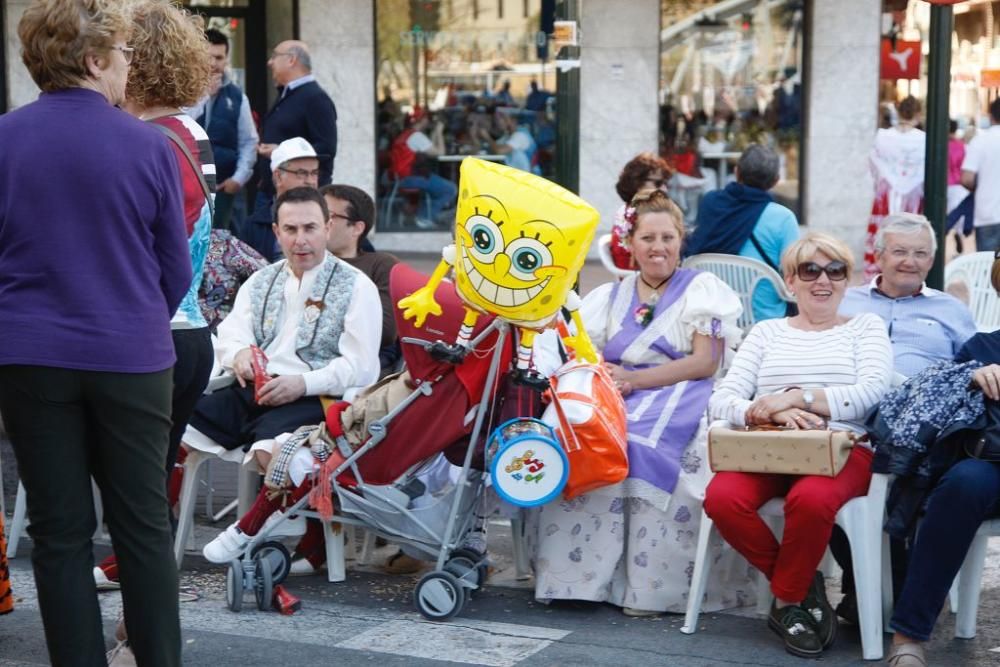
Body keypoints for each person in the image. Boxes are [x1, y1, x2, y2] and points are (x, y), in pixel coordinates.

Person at [0, 0, 190, 664]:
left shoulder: (3, 138)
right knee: (141, 526)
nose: (129, 68)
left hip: (27, 352)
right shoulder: (147, 145)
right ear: (94, 58)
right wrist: (134, 312)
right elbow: (175, 268)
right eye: (125, 55)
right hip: (130, 351)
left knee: (57, 533)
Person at [532, 189, 750, 616]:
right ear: (629, 243)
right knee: (582, 438)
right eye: (648, 238)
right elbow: (583, 352)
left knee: (648, 446)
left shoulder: (704, 289)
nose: (658, 248)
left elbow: (705, 362)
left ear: (681, 240)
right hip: (617, 393)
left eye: (668, 238)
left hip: (681, 391)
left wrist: (635, 379)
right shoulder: (610, 296)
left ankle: (652, 589)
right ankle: (579, 581)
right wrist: (602, 378)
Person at [704, 233, 892, 659]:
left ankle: (786, 601)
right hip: (770, 445)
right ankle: (803, 588)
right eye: (809, 270)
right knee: (721, 498)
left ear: (848, 280)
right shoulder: (767, 332)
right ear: (790, 281)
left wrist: (797, 398)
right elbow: (722, 397)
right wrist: (769, 412)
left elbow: (872, 392)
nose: (822, 280)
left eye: (835, 270)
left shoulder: (866, 327)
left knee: (810, 500)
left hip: (841, 447)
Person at [92, 0, 217, 596]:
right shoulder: (191, 133)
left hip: (152, 333)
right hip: (189, 332)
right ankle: (142, 607)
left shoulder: (146, 142)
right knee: (146, 481)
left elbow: (139, 246)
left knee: (130, 487)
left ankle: (139, 617)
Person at [183, 186, 381, 552]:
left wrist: (301, 383)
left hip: (315, 397)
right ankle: (143, 547)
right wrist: (239, 354)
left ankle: (249, 534)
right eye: (290, 230)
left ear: (327, 227)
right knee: (167, 430)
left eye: (310, 228)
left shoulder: (357, 287)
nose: (300, 239)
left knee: (272, 454)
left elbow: (361, 367)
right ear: (276, 232)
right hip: (253, 389)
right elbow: (231, 333)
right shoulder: (262, 279)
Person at [880, 257, 1000, 667]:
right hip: (990, 464)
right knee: (963, 483)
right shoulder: (982, 348)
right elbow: (935, 401)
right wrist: (970, 378)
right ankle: (909, 636)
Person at [841, 213, 976, 378]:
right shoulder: (844, 301)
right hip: (849, 398)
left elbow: (975, 366)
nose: (910, 262)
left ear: (931, 261)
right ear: (878, 257)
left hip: (924, 400)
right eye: (900, 252)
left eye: (920, 254)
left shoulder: (952, 309)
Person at [684, 144, 800, 321]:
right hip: (762, 321)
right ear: (776, 180)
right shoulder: (783, 218)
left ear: (737, 172)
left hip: (714, 314)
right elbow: (794, 274)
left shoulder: (710, 203)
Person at [252, 40, 336, 218]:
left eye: (275, 56)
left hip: (299, 201)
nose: (269, 62)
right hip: (272, 194)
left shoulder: (316, 99)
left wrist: (280, 152)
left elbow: (327, 149)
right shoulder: (287, 93)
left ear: (291, 60)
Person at [321, 184, 400, 371]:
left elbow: (384, 332)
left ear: (357, 228)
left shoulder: (380, 265)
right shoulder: (302, 262)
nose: (319, 222)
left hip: (359, 368)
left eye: (328, 216)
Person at [189, 28, 259, 233]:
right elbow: (180, 125)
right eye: (208, 57)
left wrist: (239, 178)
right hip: (192, 187)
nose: (213, 64)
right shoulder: (184, 92)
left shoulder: (237, 97)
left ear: (226, 59)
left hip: (226, 191)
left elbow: (248, 141)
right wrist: (202, 96)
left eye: (219, 57)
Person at [864, 95, 925, 278]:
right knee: (911, 233)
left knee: (884, 231)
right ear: (918, 113)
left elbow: (874, 164)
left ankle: (879, 269)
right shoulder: (924, 139)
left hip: (887, 194)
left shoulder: (883, 136)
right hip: (913, 196)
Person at [244, 136, 321, 260]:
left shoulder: (331, 216)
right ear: (279, 177)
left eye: (314, 173)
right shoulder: (255, 225)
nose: (310, 181)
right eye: (301, 173)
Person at [388, 108, 458, 226]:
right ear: (422, 120)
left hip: (400, 178)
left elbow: (430, 147)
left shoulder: (406, 134)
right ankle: (425, 217)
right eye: (427, 118)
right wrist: (440, 131)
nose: (428, 121)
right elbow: (440, 152)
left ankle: (431, 214)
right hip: (411, 178)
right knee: (451, 189)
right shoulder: (417, 136)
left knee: (437, 187)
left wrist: (435, 132)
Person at [608, 152, 674, 270]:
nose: (664, 189)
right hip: (646, 279)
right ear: (637, 183)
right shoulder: (642, 215)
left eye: (665, 183)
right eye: (658, 183)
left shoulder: (627, 210)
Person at [198, 229, 269, 332]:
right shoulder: (168, 246)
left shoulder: (222, 243)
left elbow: (269, 276)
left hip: (224, 336)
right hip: (174, 333)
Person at [961, 98, 1000, 252]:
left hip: (987, 213)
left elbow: (966, 178)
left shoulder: (981, 141)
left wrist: (979, 187)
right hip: (987, 214)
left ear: (991, 116)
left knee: (987, 268)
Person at [479, 109, 538, 174]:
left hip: (530, 177)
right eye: (497, 119)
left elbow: (499, 151)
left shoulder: (520, 135)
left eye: (503, 118)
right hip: (517, 175)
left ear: (513, 121)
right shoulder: (507, 135)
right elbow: (493, 148)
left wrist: (487, 137)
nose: (499, 122)